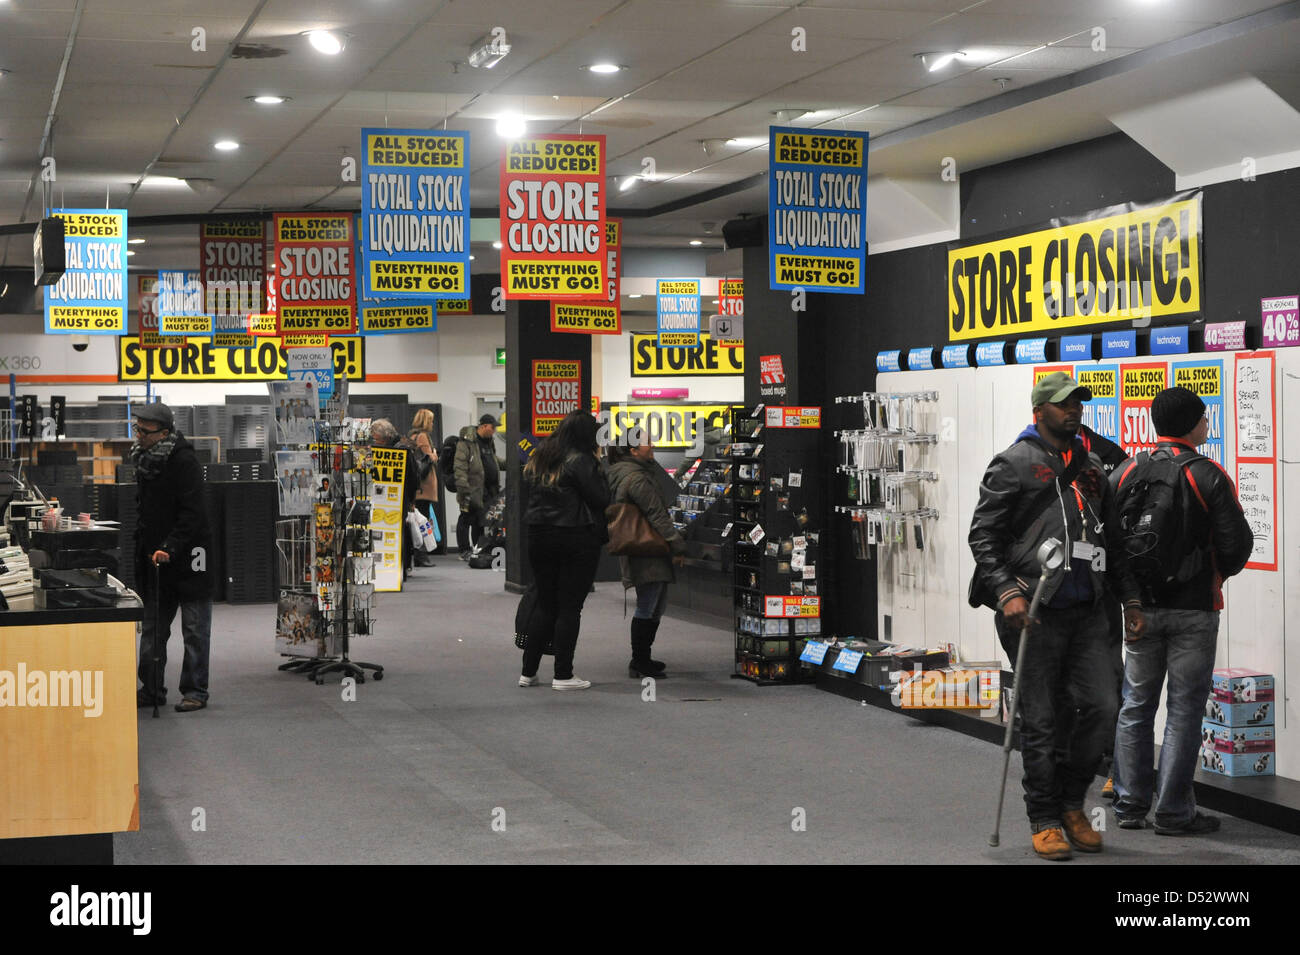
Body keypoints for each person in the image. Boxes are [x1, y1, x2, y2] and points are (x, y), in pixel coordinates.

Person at [968, 371, 1143, 861]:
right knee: (1042, 720)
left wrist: (1129, 599)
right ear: (1039, 410)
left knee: (1104, 708)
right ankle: (1044, 817)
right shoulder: (1012, 464)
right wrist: (1006, 591)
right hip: (1033, 612)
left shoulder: (1090, 468)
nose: (1074, 410)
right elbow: (983, 537)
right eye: (1064, 403)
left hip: (1089, 611)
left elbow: (1113, 542)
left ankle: (1071, 803)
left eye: (1078, 403)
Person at [1111, 386, 1253, 835]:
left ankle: (1129, 805)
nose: (1208, 425)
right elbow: (1237, 543)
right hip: (1194, 611)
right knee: (1185, 711)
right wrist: (1212, 576)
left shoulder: (1125, 471)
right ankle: (1173, 812)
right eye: (1204, 418)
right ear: (1192, 425)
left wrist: (1130, 594)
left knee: (1135, 704)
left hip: (1140, 610)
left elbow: (1111, 545)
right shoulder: (1206, 474)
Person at [132, 402, 214, 713]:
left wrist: (171, 545)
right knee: (153, 627)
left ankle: (195, 690)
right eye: (137, 428)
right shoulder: (144, 460)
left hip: (193, 555)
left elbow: (194, 513)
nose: (138, 435)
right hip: (157, 558)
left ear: (164, 432)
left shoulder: (184, 461)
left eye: (144, 431)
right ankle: (151, 689)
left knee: (194, 628)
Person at [519, 410, 610, 690]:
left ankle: (528, 672)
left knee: (545, 603)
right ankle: (563, 674)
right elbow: (601, 497)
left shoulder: (541, 456)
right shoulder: (582, 460)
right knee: (570, 607)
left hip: (537, 534)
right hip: (574, 537)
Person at [606, 438, 688, 678]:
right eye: (647, 444)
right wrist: (677, 544)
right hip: (648, 547)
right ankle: (639, 661)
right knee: (649, 605)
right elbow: (657, 515)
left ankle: (643, 658)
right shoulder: (638, 478)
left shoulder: (622, 472)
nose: (651, 446)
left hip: (638, 546)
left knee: (653, 604)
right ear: (633, 451)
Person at [370, 418, 419, 579]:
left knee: (398, 534)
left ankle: (400, 570)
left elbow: (412, 478)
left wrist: (410, 500)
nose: (375, 442)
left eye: (376, 439)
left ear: (385, 438)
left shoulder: (401, 450)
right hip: (391, 498)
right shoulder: (399, 446)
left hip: (399, 498)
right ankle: (395, 569)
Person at [454, 414, 503, 560]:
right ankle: (464, 551)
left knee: (480, 521)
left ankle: (477, 549)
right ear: (483, 426)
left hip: (487, 489)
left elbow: (494, 460)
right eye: (492, 427)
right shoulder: (466, 442)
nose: (494, 430)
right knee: (465, 519)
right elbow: (460, 466)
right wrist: (463, 488)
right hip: (470, 488)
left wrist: (511, 462)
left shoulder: (489, 442)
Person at [406, 409, 440, 567]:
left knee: (417, 519)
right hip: (424, 486)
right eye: (431, 420)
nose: (432, 424)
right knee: (422, 520)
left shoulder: (412, 435)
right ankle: (421, 556)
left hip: (417, 486)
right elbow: (429, 457)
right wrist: (434, 455)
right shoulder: (423, 436)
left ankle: (418, 555)